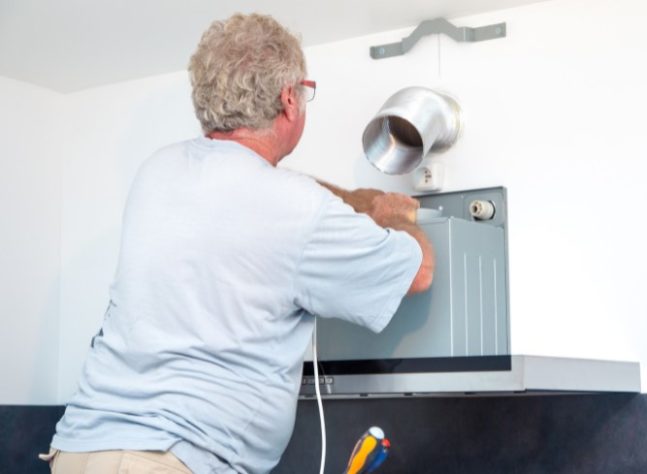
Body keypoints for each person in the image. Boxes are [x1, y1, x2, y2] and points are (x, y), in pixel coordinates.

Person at [43, 12, 434, 474]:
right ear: (289, 99)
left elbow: (256, 192)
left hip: (80, 450)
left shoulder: (159, 171)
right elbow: (419, 273)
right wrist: (395, 216)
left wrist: (350, 201)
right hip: (164, 458)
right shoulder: (296, 208)